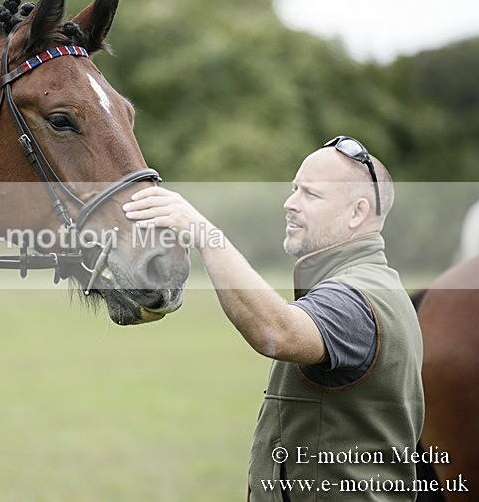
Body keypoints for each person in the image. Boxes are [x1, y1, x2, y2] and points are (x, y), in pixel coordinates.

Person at [123, 136, 424, 500]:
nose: (290, 203)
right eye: (294, 189)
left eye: (310, 194)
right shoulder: (379, 285)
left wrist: (205, 235)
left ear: (357, 213)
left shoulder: (356, 299)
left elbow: (274, 332)